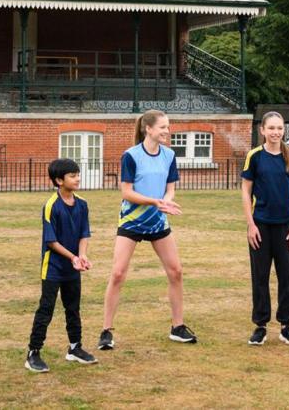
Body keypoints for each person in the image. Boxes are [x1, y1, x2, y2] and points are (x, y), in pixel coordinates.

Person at [98, 109, 197, 350]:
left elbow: (170, 187)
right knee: (118, 273)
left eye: (168, 126)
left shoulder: (170, 155)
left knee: (176, 272)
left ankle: (177, 326)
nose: (167, 130)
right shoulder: (130, 156)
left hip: (158, 222)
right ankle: (106, 331)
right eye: (163, 127)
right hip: (132, 221)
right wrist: (155, 201)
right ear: (148, 129)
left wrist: (166, 200)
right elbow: (127, 192)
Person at [25, 158, 98, 372]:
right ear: (59, 180)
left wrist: (81, 256)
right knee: (46, 309)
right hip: (54, 268)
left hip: (72, 269)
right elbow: (51, 241)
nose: (78, 179)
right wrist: (72, 257)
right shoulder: (51, 206)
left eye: (78, 174)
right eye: (72, 176)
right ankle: (33, 352)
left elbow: (84, 233)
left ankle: (75, 348)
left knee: (73, 308)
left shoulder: (82, 204)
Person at [240, 111, 289, 346]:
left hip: (286, 225)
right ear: (262, 130)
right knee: (260, 276)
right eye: (272, 128)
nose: (276, 132)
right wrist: (251, 224)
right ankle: (260, 325)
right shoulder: (254, 157)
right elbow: (246, 190)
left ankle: (287, 326)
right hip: (261, 225)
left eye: (280, 128)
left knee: (287, 276)